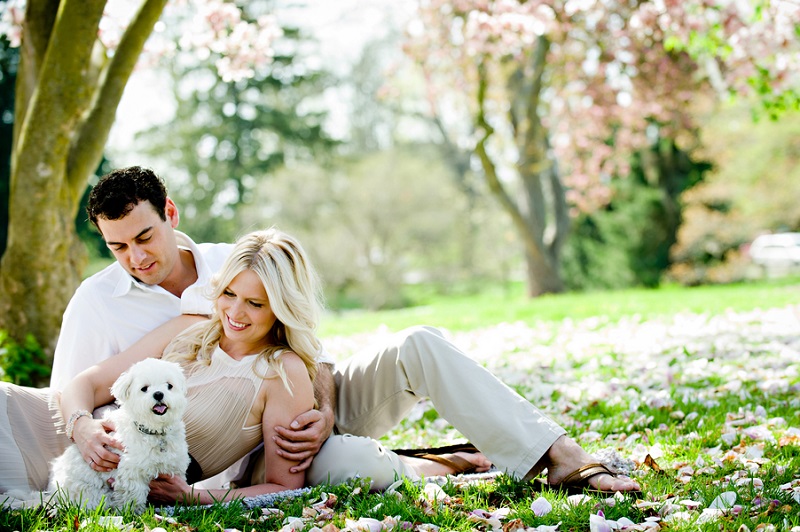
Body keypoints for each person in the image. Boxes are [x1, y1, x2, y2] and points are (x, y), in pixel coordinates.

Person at [50, 166, 640, 495]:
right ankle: (446, 463)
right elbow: (82, 389)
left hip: (299, 402)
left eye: (144, 238)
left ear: (170, 215)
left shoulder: (236, 262)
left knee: (420, 346)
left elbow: (311, 353)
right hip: (226, 449)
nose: (135, 258)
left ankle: (561, 455)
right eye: (117, 246)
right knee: (351, 471)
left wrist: (324, 411)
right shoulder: (99, 303)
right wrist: (88, 434)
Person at [2, 228, 491, 505]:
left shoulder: (282, 373)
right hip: (55, 430)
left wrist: (193, 499)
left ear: (281, 307)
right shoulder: (191, 328)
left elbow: (283, 486)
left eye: (255, 304)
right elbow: (85, 384)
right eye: (229, 294)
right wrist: (83, 427)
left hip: (104, 482)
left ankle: (442, 462)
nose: (234, 313)